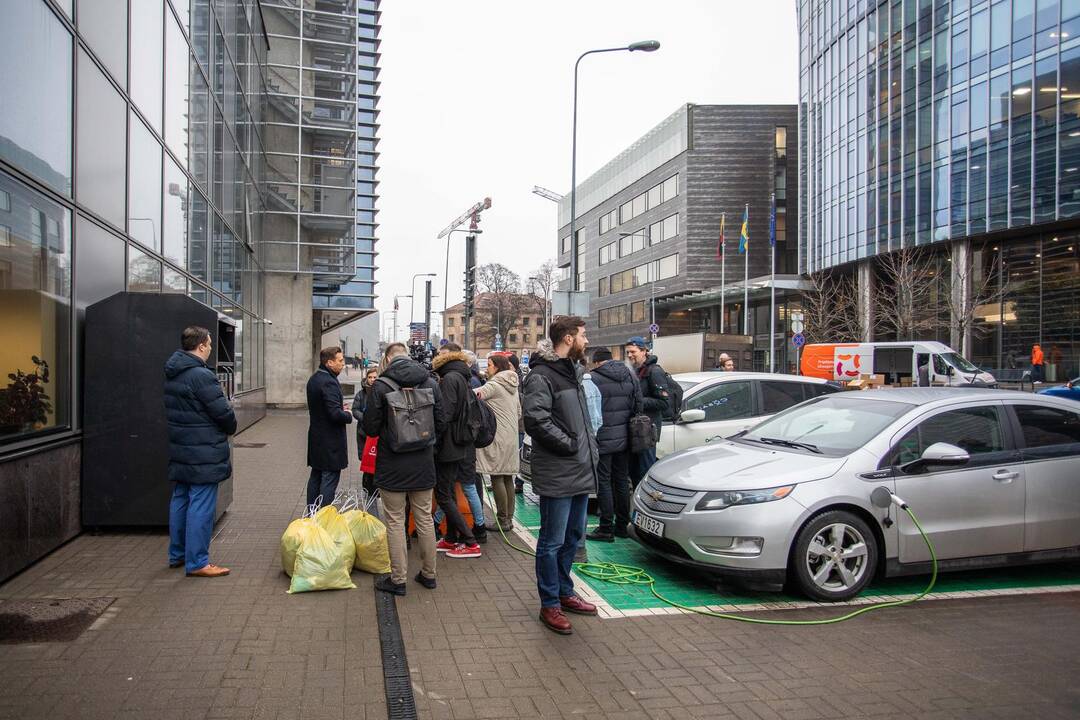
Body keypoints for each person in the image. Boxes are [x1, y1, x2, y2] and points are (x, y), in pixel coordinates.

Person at [523, 316, 600, 635]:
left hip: (580, 469)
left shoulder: (573, 372)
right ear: (568, 339)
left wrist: (585, 448)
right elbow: (535, 420)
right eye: (582, 335)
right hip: (559, 470)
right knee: (551, 541)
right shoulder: (543, 375)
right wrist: (569, 444)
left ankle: (565, 592)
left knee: (572, 538)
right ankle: (550, 603)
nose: (586, 340)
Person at [363, 343, 445, 595]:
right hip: (422, 463)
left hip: (392, 465)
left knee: (395, 521)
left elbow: (371, 428)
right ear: (408, 357)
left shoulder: (380, 386)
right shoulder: (430, 383)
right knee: (424, 519)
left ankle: (398, 580)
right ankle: (429, 575)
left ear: (388, 359)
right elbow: (441, 422)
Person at [164, 326, 237, 577]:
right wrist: (231, 426)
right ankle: (197, 562)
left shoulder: (174, 372)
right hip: (203, 450)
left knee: (180, 499)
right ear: (202, 345)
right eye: (209, 344)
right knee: (201, 505)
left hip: (182, 447)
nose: (210, 348)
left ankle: (178, 554)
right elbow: (222, 412)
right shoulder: (201, 375)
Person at [431, 343, 484, 557]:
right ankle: (452, 538)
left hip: (448, 444)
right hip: (458, 443)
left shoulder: (450, 379)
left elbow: (445, 414)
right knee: (449, 491)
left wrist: (435, 439)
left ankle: (470, 542)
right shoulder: (461, 377)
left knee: (443, 494)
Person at [585, 348, 643, 542]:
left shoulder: (593, 378)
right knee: (621, 481)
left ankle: (605, 528)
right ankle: (621, 526)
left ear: (597, 362)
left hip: (603, 438)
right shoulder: (629, 374)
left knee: (603, 482)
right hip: (625, 438)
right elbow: (639, 405)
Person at [476, 354, 521, 532]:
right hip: (511, 437)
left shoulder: (494, 385)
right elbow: (518, 412)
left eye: (489, 365)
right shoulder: (513, 385)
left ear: (497, 367)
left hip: (497, 436)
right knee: (507, 476)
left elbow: (473, 396)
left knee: (496, 476)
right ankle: (509, 518)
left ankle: (502, 520)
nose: (487, 368)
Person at [305, 347, 353, 507]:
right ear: (329, 362)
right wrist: (348, 414)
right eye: (340, 361)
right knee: (329, 479)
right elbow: (334, 414)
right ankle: (324, 518)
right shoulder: (329, 382)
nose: (343, 364)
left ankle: (311, 515)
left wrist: (339, 407)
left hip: (317, 439)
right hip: (330, 442)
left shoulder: (314, 379)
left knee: (316, 476)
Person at [625, 337, 673, 484]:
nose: (629, 355)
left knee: (644, 472)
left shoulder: (654, 371)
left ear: (644, 351)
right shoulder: (635, 370)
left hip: (647, 431)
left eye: (633, 352)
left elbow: (664, 402)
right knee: (634, 472)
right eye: (627, 352)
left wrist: (638, 402)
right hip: (636, 430)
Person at [352, 367, 380, 507]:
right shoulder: (361, 394)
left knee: (377, 462)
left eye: (375, 377)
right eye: (370, 377)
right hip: (364, 433)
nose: (373, 380)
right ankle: (367, 487)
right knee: (366, 461)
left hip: (377, 435)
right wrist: (366, 418)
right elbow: (355, 410)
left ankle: (376, 487)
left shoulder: (381, 391)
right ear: (366, 379)